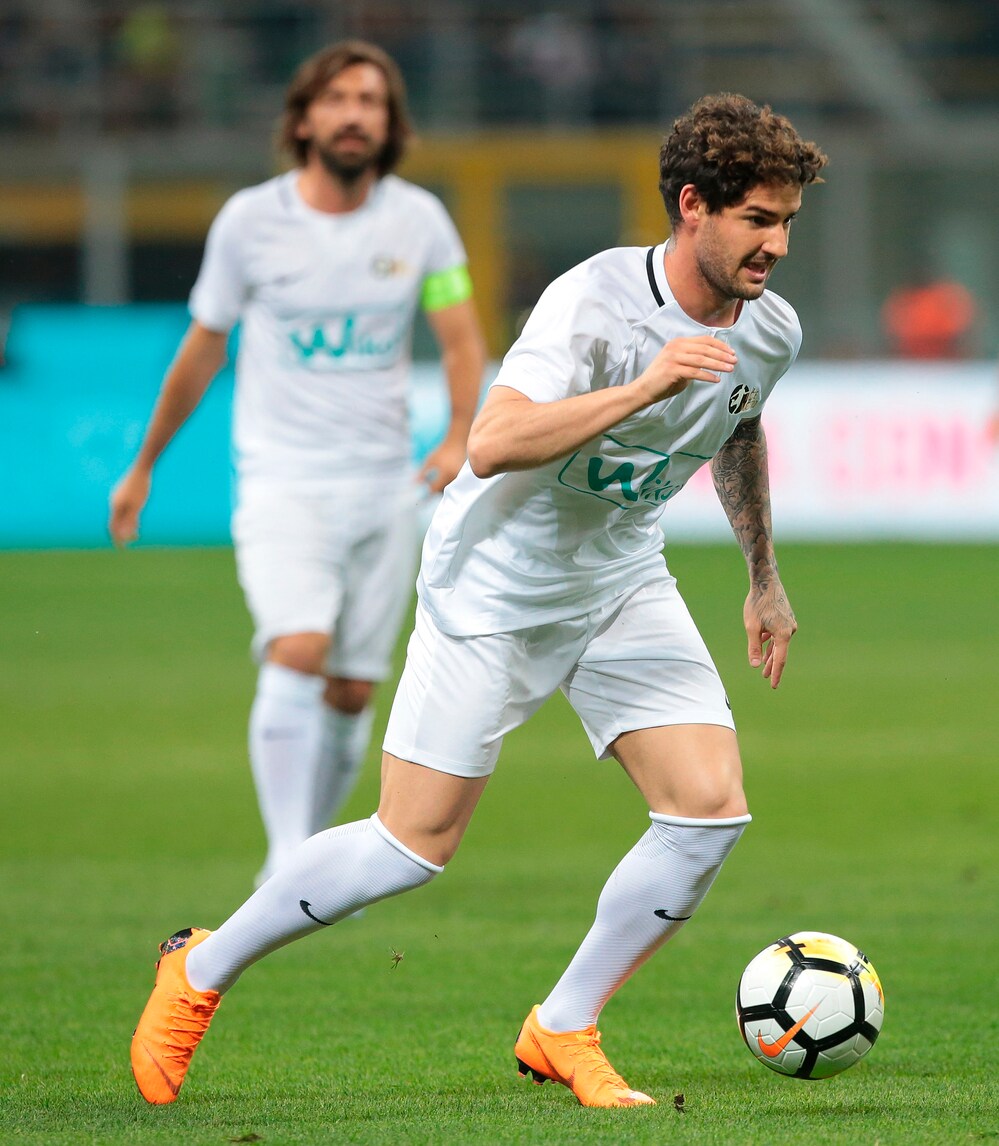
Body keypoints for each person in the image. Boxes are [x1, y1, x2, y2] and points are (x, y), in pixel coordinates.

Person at [130, 92, 827, 1110]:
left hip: (619, 577)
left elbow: (737, 423)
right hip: (494, 583)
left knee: (708, 813)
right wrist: (642, 387)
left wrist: (762, 575)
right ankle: (198, 970)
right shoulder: (593, 302)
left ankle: (564, 1025)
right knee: (410, 846)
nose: (777, 246)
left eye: (788, 222)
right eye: (758, 220)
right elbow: (493, 442)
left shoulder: (772, 329)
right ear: (692, 206)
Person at [109, 41, 486, 887]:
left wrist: (459, 432)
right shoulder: (250, 222)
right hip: (283, 480)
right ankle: (286, 860)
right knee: (297, 647)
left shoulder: (418, 221)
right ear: (304, 118)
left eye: (371, 101)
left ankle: (311, 860)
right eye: (338, 98)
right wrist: (144, 465)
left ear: (390, 124)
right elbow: (203, 348)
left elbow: (461, 337)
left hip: (386, 486)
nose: (355, 114)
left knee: (352, 689)